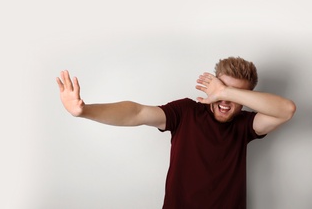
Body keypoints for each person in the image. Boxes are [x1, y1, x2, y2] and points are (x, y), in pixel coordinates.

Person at [56, 56, 296, 209]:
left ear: (245, 97)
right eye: (221, 91)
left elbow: (286, 110)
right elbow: (136, 113)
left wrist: (224, 91)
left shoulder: (245, 124)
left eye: (233, 95)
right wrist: (84, 111)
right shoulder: (187, 112)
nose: (224, 101)